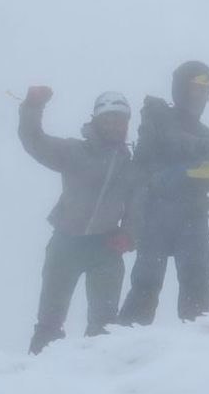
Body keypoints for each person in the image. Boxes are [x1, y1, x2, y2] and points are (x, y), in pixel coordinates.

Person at [17, 86, 136, 354]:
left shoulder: (130, 164)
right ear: (96, 120)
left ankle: (96, 378)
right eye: (108, 119)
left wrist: (129, 234)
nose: (114, 125)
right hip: (65, 244)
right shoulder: (74, 151)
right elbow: (33, 140)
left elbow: (137, 207)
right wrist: (33, 107)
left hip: (106, 247)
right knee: (50, 320)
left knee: (104, 325)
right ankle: (35, 376)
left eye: (120, 119)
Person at [117, 60, 209, 325]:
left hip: (193, 216)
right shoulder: (157, 115)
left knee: (197, 286)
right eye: (196, 88)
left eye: (206, 90)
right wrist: (205, 152)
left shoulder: (208, 135)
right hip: (155, 213)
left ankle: (202, 349)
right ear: (181, 88)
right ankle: (127, 349)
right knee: (146, 285)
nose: (202, 96)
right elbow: (169, 139)